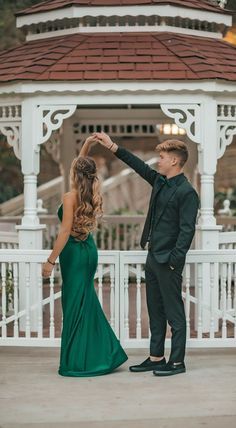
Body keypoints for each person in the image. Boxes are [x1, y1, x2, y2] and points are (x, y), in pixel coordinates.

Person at [94, 132, 199, 377]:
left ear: (174, 161)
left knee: (174, 312)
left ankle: (176, 362)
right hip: (152, 257)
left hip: (169, 262)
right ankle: (156, 357)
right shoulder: (160, 181)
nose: (157, 161)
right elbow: (138, 166)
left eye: (161, 157)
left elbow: (187, 231)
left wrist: (175, 260)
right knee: (155, 310)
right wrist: (112, 146)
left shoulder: (187, 192)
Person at [42, 136, 128, 376]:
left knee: (74, 306)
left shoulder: (70, 197)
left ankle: (79, 361)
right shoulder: (89, 192)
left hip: (74, 254)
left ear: (74, 173)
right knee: (84, 303)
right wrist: (89, 144)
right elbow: (80, 163)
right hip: (88, 250)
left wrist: (50, 261)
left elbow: (64, 231)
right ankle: (100, 354)